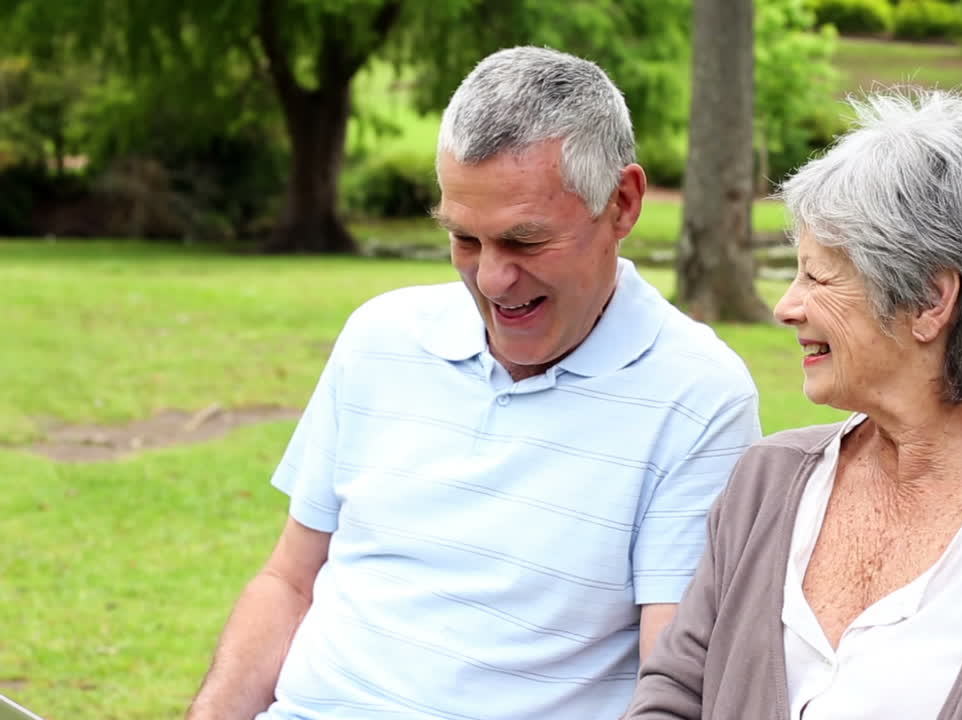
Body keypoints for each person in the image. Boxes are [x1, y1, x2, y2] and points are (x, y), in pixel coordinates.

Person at [186, 46, 761, 720]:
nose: (490, 280)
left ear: (622, 204)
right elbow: (289, 582)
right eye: (464, 239)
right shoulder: (381, 337)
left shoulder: (698, 397)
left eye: (524, 242)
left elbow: (672, 686)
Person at [626, 88, 962, 720]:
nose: (786, 307)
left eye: (817, 277)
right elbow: (675, 694)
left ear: (931, 301)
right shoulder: (767, 482)